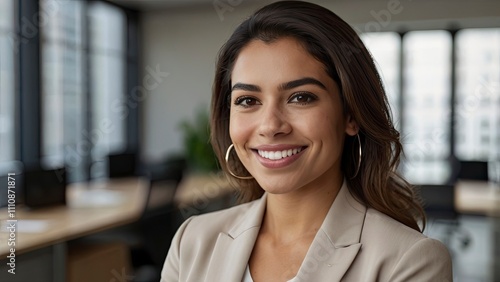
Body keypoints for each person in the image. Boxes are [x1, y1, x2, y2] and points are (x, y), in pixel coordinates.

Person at [161, 1, 453, 281]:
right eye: (248, 100)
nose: (270, 126)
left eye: (301, 97)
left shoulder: (409, 260)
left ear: (351, 115)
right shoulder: (192, 241)